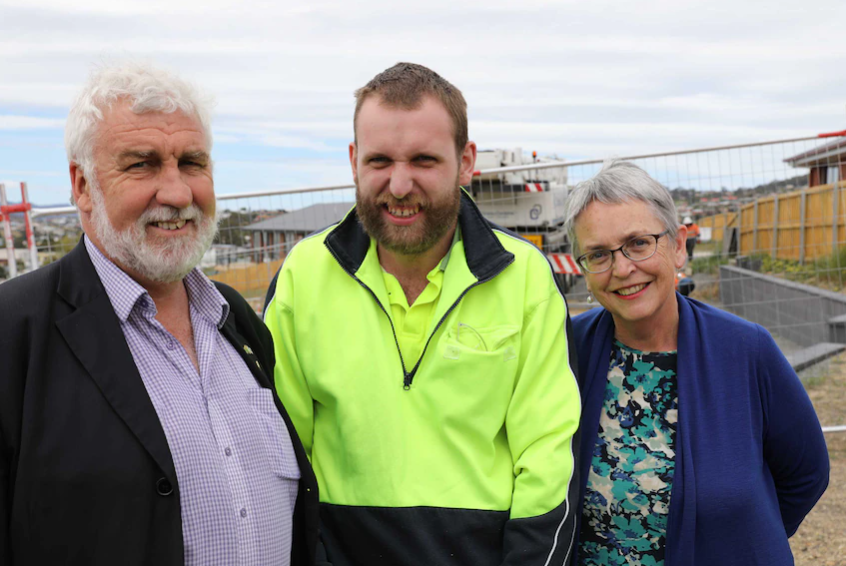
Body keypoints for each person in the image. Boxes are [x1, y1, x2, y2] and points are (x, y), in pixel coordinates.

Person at [0, 61, 320, 566]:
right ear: (83, 186)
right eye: (141, 164)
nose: (176, 193)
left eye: (192, 162)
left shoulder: (235, 321)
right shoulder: (15, 333)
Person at [264, 62, 582, 566]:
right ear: (353, 161)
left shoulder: (524, 278)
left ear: (466, 161)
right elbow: (279, 454)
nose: (399, 184)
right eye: (380, 161)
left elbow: (547, 462)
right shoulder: (304, 275)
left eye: (424, 160)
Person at [564, 160, 829, 566]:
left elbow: (806, 473)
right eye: (598, 254)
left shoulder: (745, 349)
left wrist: (739, 540)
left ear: (678, 245)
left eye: (638, 243)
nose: (622, 269)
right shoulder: (568, 350)